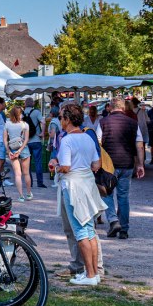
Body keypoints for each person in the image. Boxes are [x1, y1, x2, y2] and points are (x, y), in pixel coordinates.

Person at [50, 102, 106, 285]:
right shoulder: (88, 137)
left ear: (67, 119)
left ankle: (89, 274)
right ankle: (94, 272)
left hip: (73, 186)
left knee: (80, 231)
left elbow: (65, 167)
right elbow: (96, 163)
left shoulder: (67, 140)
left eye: (61, 118)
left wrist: (55, 167)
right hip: (87, 184)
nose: (60, 121)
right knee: (90, 231)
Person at [99, 96, 146, 239]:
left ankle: (113, 221)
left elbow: (98, 143)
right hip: (127, 164)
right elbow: (140, 145)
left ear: (110, 107)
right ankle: (124, 229)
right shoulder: (133, 123)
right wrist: (140, 164)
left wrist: (97, 163)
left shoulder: (103, 122)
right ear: (123, 107)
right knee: (123, 196)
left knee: (106, 193)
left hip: (109, 165)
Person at [2, 106, 32, 201]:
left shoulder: (7, 124)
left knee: (17, 174)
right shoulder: (25, 125)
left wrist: (9, 151)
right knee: (26, 173)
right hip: (24, 149)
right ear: (20, 114)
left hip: (12, 149)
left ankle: (21, 196)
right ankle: (28, 193)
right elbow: (26, 139)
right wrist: (20, 150)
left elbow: (5, 140)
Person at [24, 100, 47, 190]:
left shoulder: (22, 113)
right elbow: (44, 122)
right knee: (38, 162)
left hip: (26, 142)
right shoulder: (36, 112)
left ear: (25, 104)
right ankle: (40, 182)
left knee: (27, 163)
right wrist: (42, 133)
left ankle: (30, 182)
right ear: (33, 103)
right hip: (36, 140)